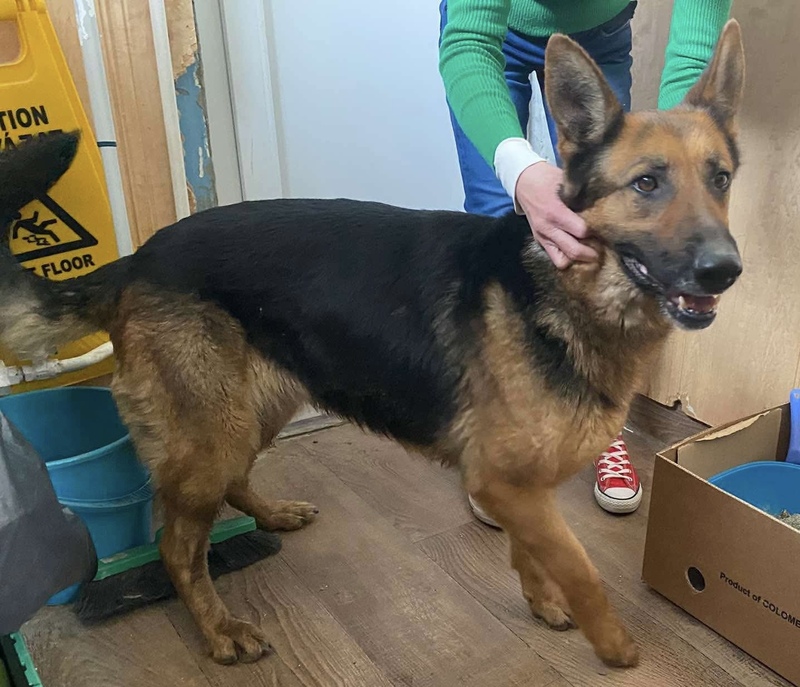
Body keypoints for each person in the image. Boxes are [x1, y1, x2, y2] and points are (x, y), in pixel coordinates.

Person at [438, 0, 731, 522]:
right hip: (490, 38)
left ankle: (601, 428)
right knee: (493, 224)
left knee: (606, 234)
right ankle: (496, 433)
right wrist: (520, 170)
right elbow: (468, 42)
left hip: (599, 33)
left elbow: (693, 60)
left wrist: (675, 161)